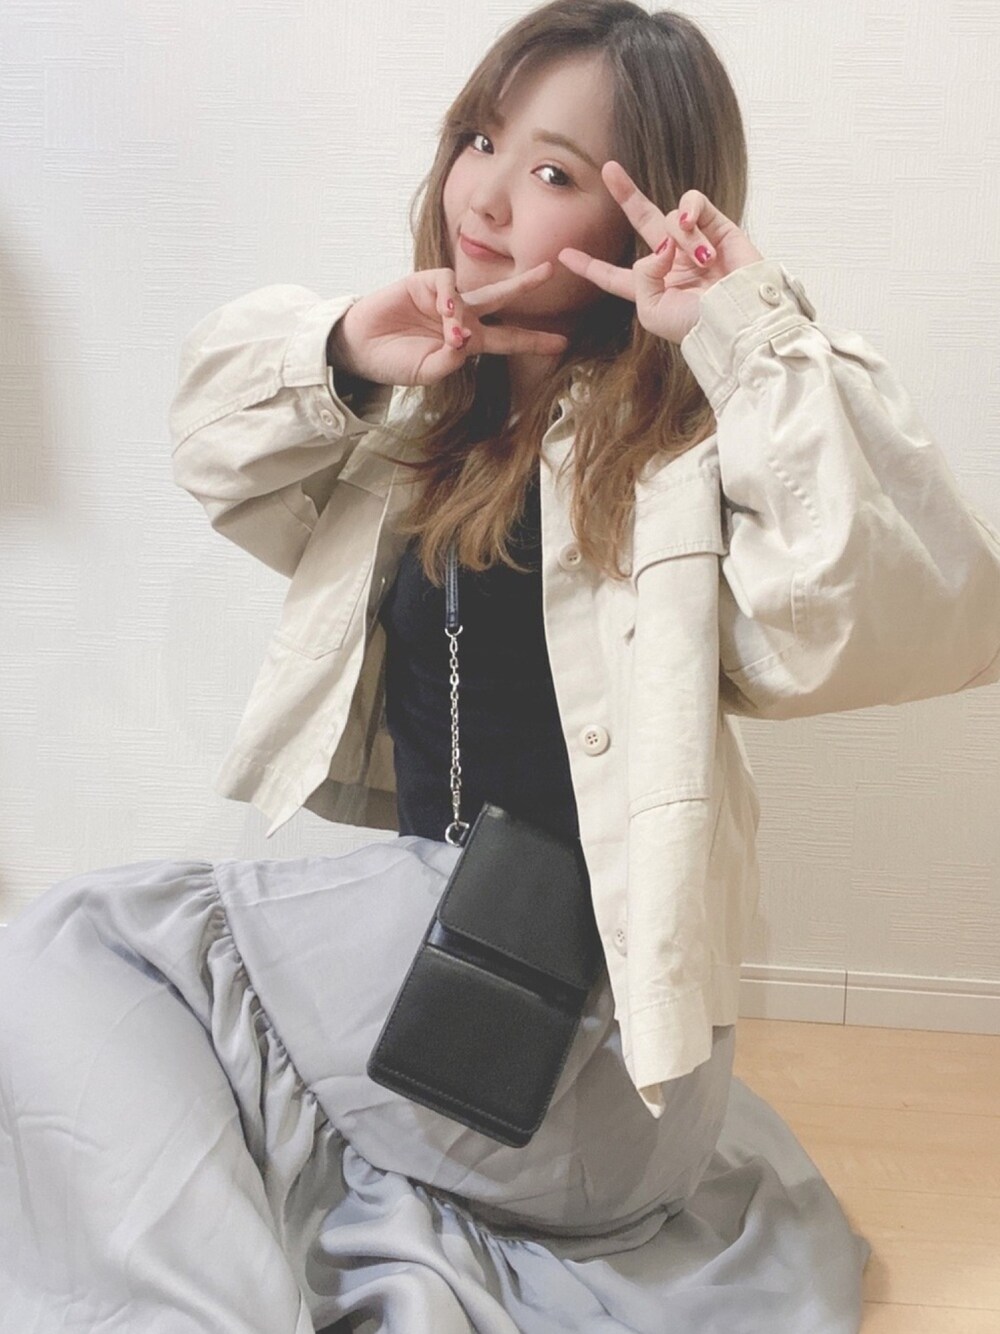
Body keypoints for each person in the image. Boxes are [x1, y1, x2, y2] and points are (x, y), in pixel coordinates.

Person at [2, 1, 999, 1330]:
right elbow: (211, 447)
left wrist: (742, 330)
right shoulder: (419, 426)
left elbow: (892, 606)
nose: (484, 194)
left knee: (76, 945)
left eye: (555, 172)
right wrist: (346, 348)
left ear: (639, 220)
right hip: (461, 982)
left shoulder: (679, 457)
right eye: (480, 138)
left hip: (568, 1043)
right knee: (122, 1026)